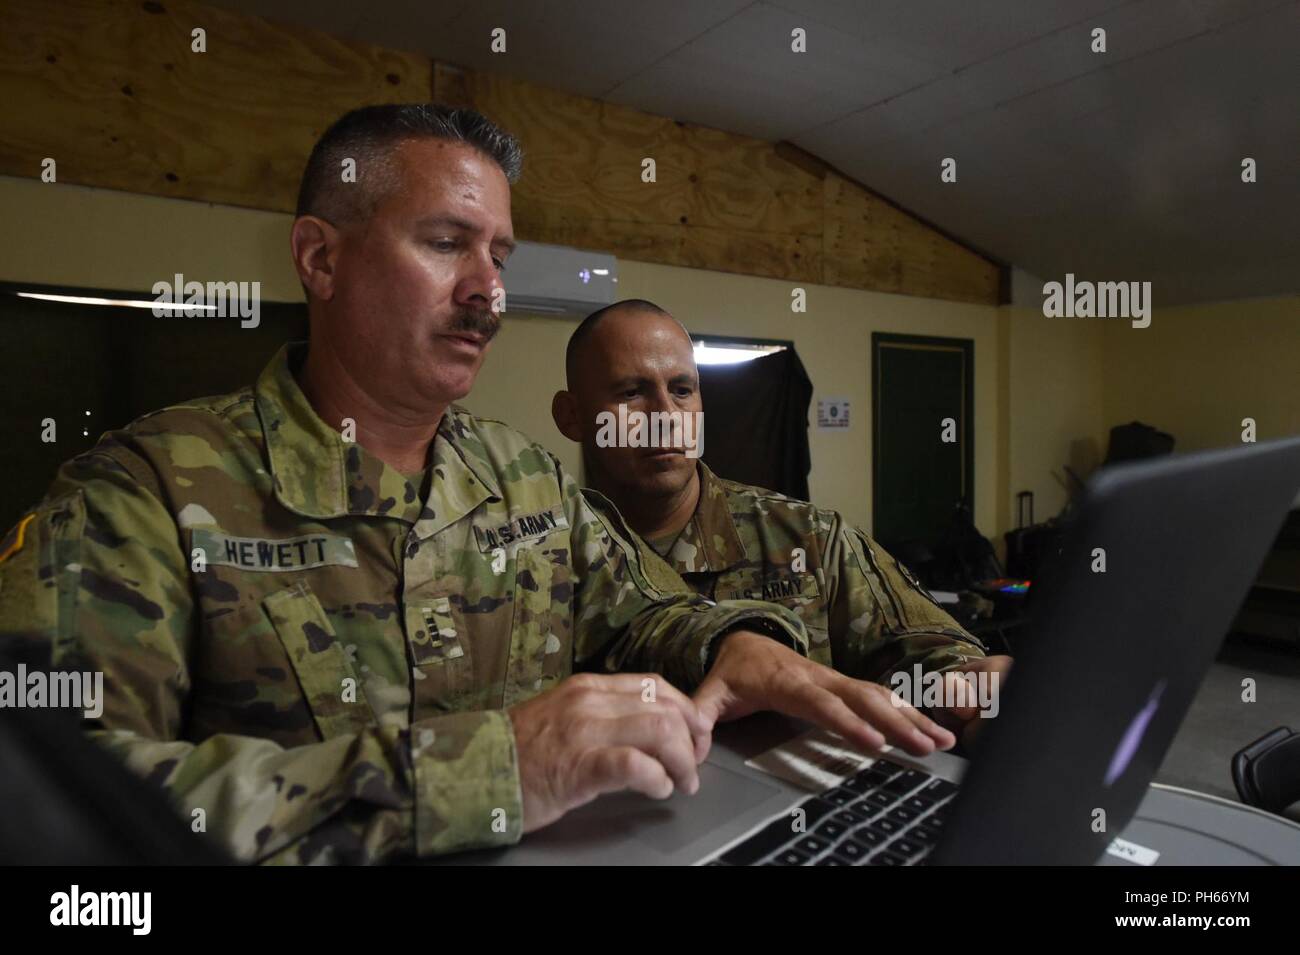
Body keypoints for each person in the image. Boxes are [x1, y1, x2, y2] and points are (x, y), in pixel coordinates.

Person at [0, 106, 955, 864]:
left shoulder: (520, 474)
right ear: (319, 258)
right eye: (447, 242)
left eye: (498, 256)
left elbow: (637, 609)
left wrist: (736, 641)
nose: (487, 292)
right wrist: (488, 771)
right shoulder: (140, 497)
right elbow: (52, 822)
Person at [551, 299, 1012, 743]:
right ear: (572, 416)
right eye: (631, 393)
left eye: (681, 390)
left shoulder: (807, 540)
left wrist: (966, 683)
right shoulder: (542, 559)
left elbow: (925, 653)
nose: (667, 418)